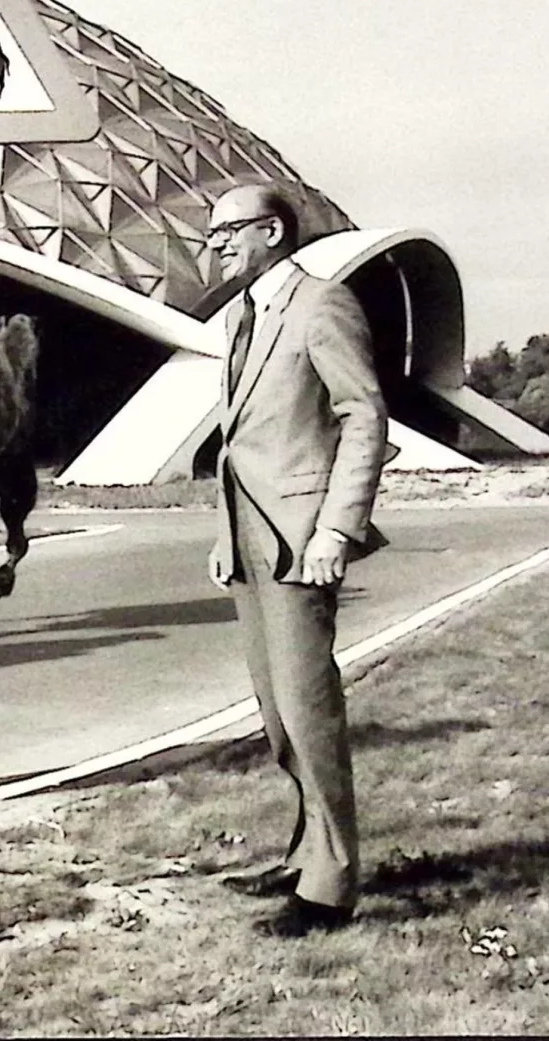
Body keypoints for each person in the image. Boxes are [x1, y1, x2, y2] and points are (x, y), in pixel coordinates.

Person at [206, 184, 389, 938]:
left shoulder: (322, 305)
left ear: (272, 231)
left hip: (302, 536)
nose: (213, 243)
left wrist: (335, 533)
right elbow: (241, 441)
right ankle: (306, 848)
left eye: (228, 230)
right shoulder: (244, 316)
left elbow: (363, 415)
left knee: (309, 708)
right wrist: (224, 535)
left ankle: (332, 881)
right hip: (251, 535)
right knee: (277, 713)